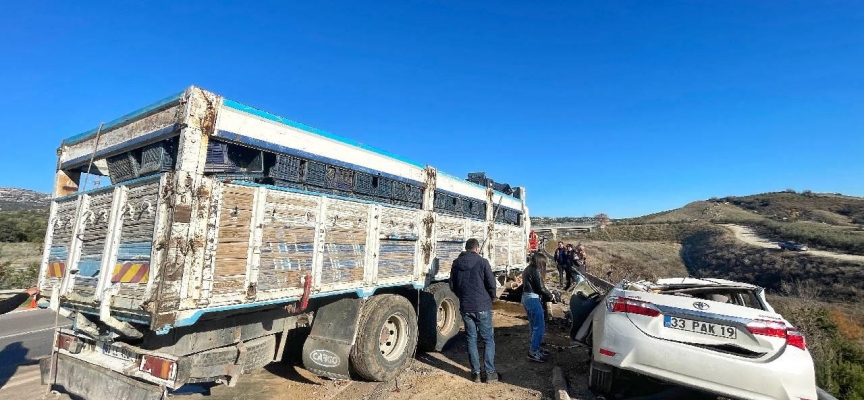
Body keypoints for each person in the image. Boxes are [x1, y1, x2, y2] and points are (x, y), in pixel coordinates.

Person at [449, 238, 498, 383]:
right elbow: (491, 284)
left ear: (466, 248)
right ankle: (489, 373)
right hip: (482, 306)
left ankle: (475, 374)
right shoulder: (483, 262)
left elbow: (452, 285)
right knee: (488, 339)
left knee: (471, 339)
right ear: (477, 248)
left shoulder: (456, 263)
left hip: (466, 306)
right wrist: (491, 297)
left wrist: (462, 297)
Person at [521, 252, 555, 362]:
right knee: (539, 326)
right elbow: (541, 288)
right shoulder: (536, 270)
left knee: (533, 325)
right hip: (533, 299)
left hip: (526, 297)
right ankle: (533, 351)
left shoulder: (527, 269)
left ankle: (535, 347)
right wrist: (551, 296)